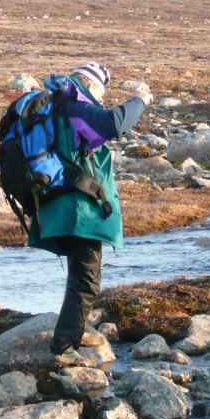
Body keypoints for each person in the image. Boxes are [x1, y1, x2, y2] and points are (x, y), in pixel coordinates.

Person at [28, 62, 152, 366]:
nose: (99, 98)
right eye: (101, 92)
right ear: (93, 86)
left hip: (59, 203)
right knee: (87, 280)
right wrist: (140, 100)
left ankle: (74, 331)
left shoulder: (58, 104)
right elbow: (114, 124)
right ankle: (64, 348)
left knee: (79, 274)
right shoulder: (76, 106)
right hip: (78, 209)